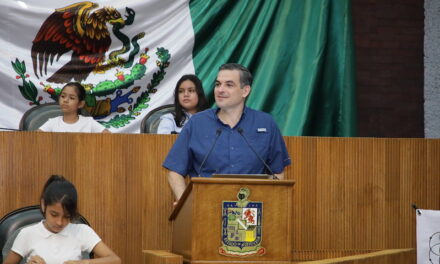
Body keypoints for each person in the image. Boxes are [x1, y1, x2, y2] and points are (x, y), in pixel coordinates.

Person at [163, 63, 291, 201]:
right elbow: (174, 170)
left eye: (229, 85)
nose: (220, 90)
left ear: (245, 91)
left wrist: (270, 207)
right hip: (205, 209)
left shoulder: (266, 124)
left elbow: (277, 173)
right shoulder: (197, 123)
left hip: (252, 212)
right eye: (218, 84)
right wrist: (185, 204)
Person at [2, 175, 121, 264]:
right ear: (44, 205)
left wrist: (84, 263)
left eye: (67, 217)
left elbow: (115, 260)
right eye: (54, 214)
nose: (59, 222)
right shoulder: (27, 234)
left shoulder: (82, 231)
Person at [38, 82, 110, 133]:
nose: (65, 100)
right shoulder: (52, 122)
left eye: (72, 98)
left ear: (81, 104)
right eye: (63, 96)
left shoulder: (89, 122)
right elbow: (34, 139)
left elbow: (109, 138)